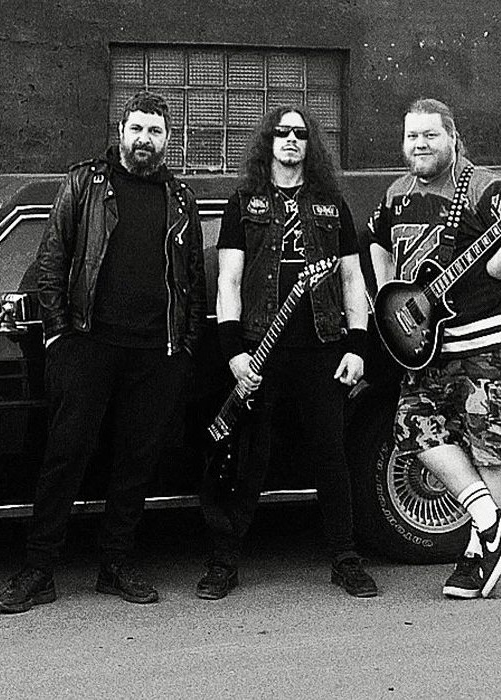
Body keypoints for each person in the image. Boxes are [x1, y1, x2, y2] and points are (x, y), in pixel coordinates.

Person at [0, 91, 206, 613]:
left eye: (155, 131)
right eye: (137, 129)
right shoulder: (85, 184)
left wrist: (184, 350)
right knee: (64, 459)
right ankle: (39, 570)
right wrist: (59, 337)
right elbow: (52, 260)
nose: (144, 139)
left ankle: (116, 564)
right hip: (88, 344)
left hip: (156, 352)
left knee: (135, 463)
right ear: (121, 132)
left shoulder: (181, 199)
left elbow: (193, 281)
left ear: (168, 139)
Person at [368, 98, 501, 598]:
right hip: (427, 348)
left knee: (488, 448)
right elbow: (376, 240)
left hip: (489, 344)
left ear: (452, 138)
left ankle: (478, 556)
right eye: (412, 136)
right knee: (413, 429)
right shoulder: (397, 193)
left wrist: (498, 267)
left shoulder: (482, 186)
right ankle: (492, 522)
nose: (420, 145)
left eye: (430, 135)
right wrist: (387, 295)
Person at [196, 106, 377, 600]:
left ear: (310, 143)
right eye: (282, 133)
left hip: (322, 347)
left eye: (300, 133)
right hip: (261, 349)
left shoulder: (331, 204)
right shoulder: (243, 203)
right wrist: (233, 352)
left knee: (331, 454)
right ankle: (224, 561)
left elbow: (353, 279)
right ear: (269, 142)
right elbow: (228, 281)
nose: (292, 140)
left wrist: (357, 346)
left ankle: (346, 558)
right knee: (247, 458)